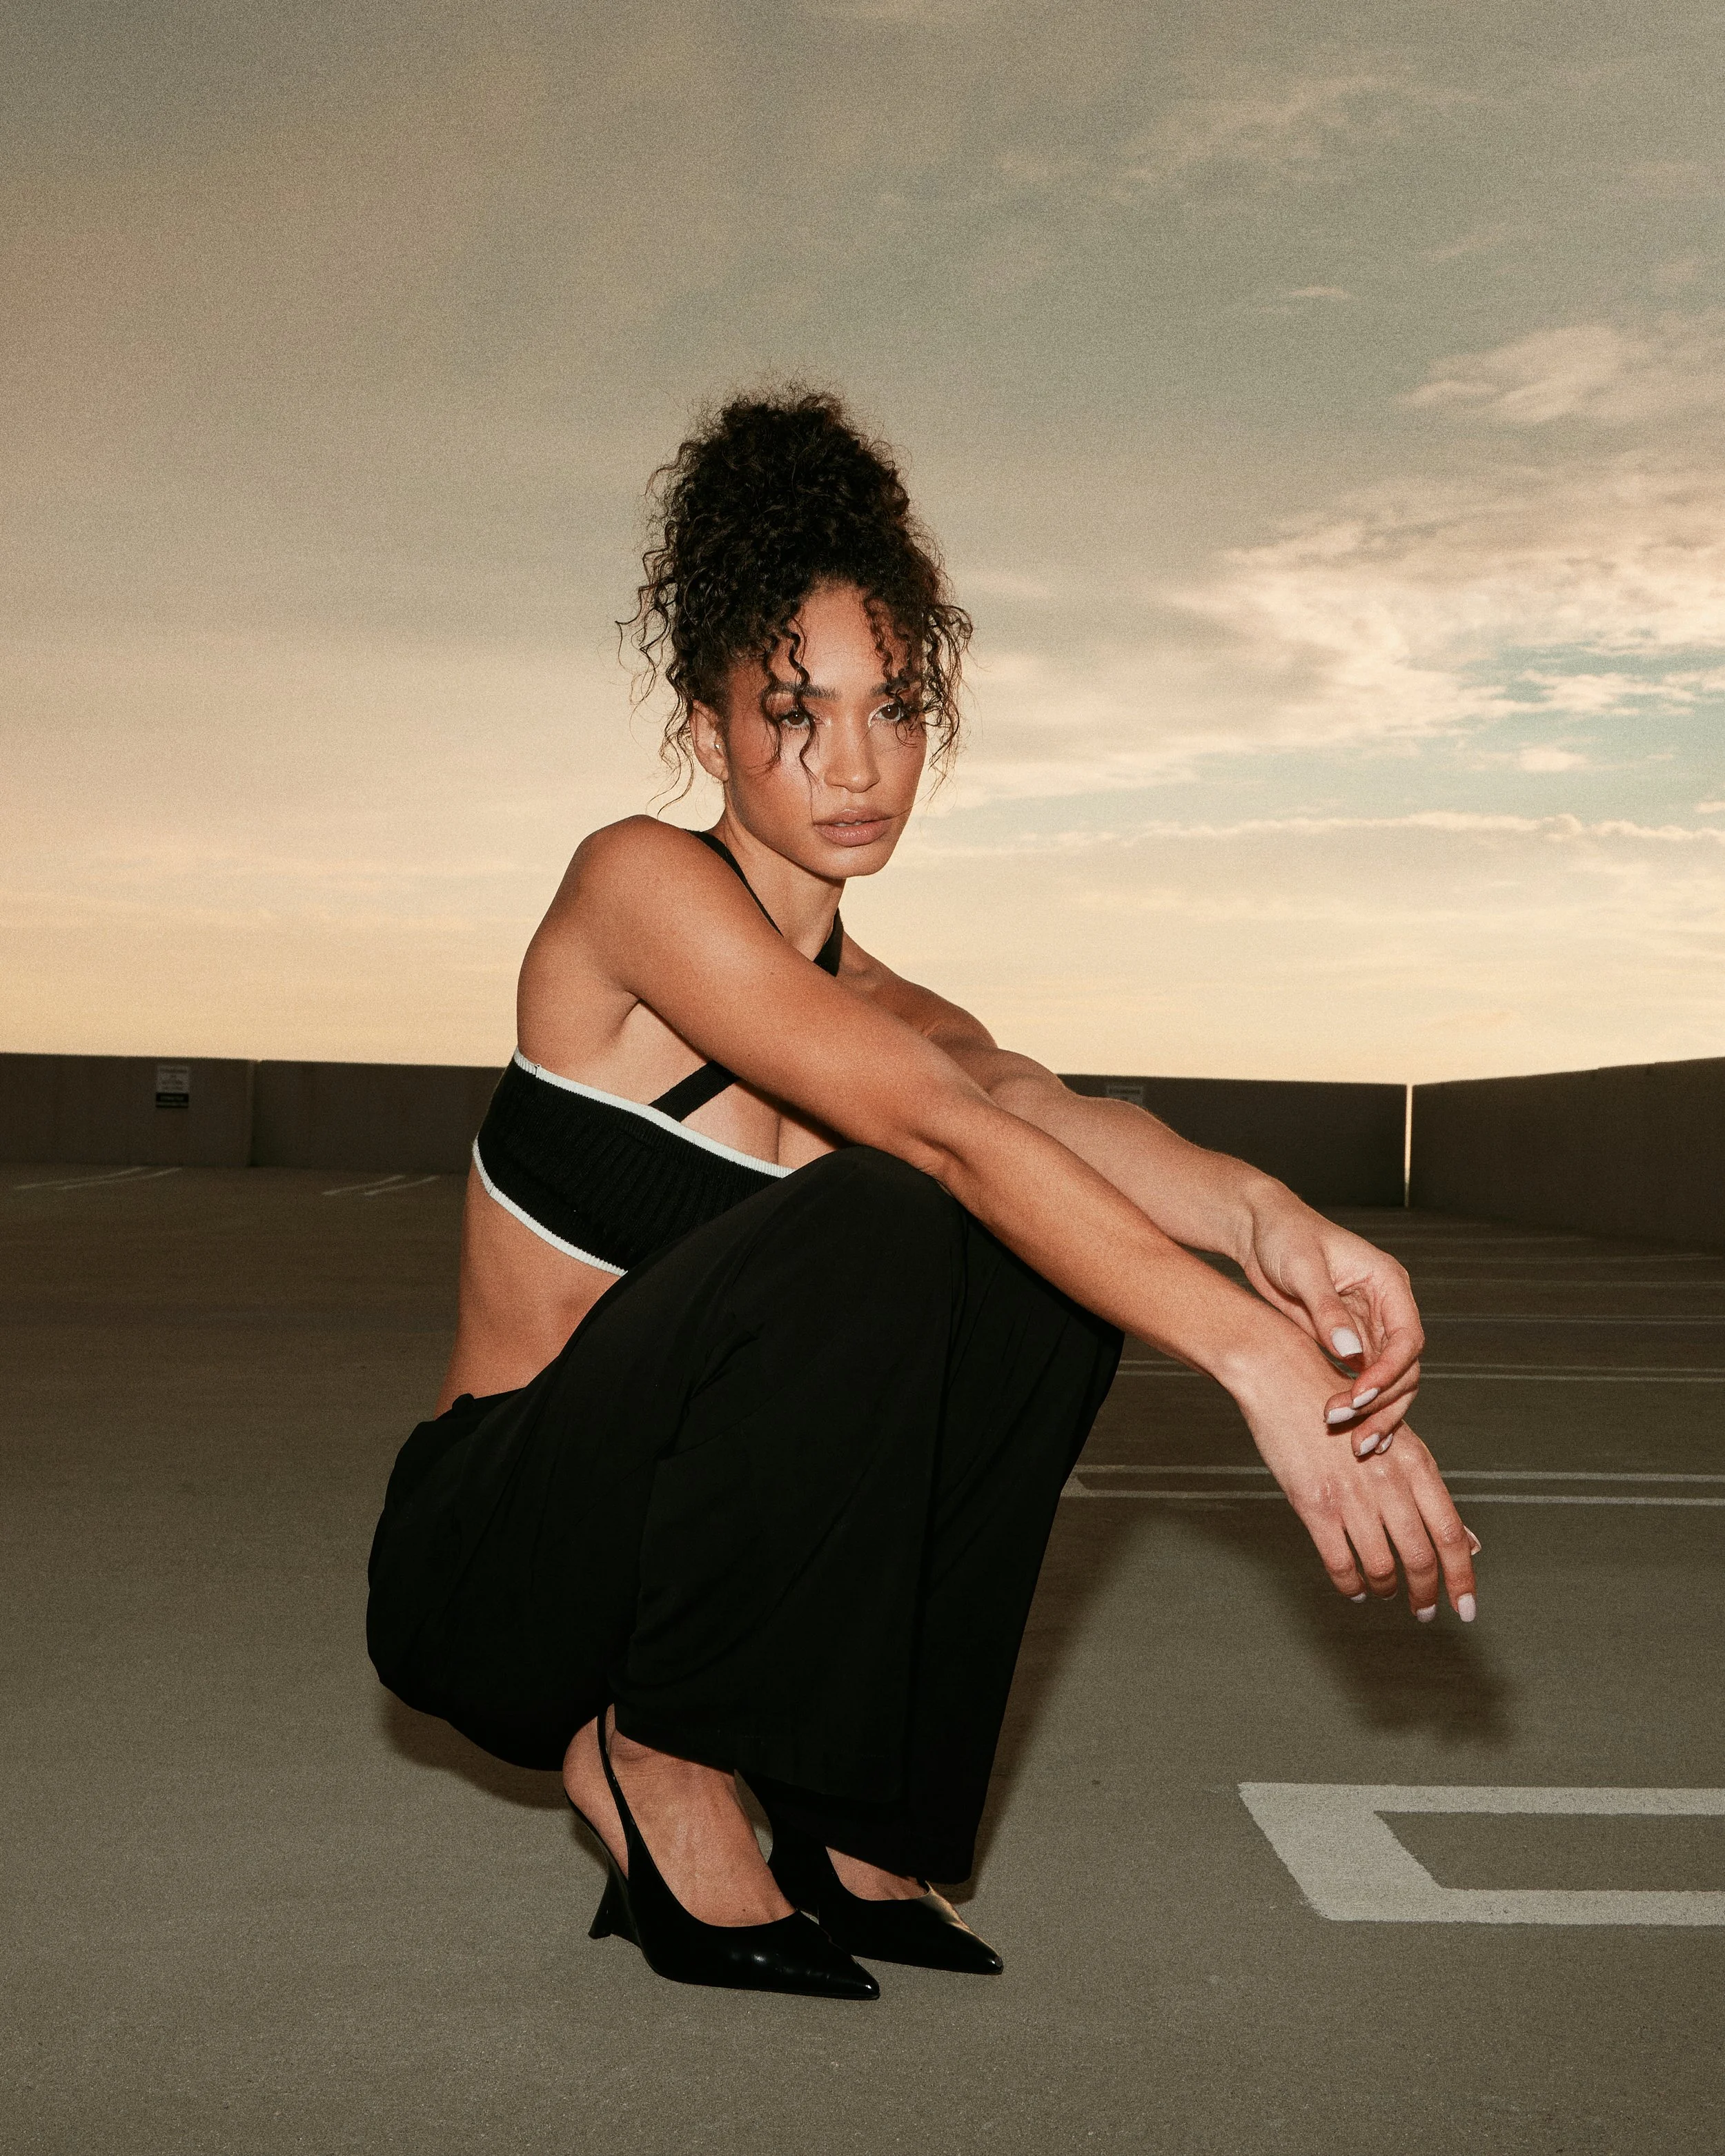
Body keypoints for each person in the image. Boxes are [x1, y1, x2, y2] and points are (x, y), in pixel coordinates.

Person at [366, 388, 1477, 2001]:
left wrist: (1268, 1223)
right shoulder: (634, 888)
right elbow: (946, 1134)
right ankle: (653, 1752)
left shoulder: (887, 1007)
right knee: (911, 1199)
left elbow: (1028, 1107)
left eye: (891, 710)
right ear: (705, 730)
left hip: (664, 1558)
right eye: (793, 712)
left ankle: (845, 1803)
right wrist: (1253, 1358)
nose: (854, 762)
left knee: (1038, 1259)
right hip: (497, 1563)